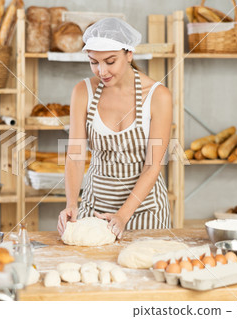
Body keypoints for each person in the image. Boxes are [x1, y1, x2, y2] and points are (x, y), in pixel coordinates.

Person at [57, 17, 173, 239]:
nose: (101, 71)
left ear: (129, 54)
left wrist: (122, 215)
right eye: (94, 62)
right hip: (94, 210)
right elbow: (75, 155)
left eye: (110, 61)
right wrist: (72, 203)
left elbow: (152, 166)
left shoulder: (158, 96)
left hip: (145, 211)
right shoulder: (82, 91)